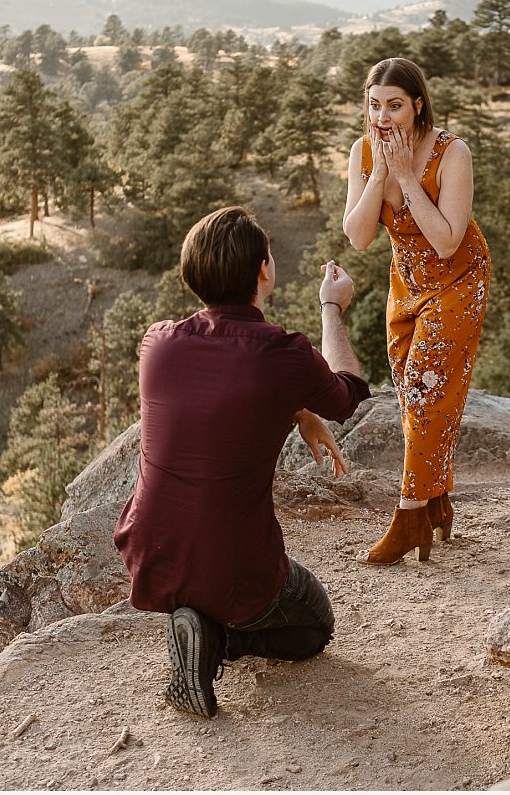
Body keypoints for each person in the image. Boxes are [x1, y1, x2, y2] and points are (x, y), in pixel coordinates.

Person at [113, 206, 370, 718]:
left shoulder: (157, 344)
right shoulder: (285, 353)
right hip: (237, 567)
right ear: (263, 271)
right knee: (315, 627)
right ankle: (216, 637)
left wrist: (297, 409)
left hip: (151, 552)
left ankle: (195, 621)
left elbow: (219, 393)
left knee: (211, 564)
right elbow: (348, 396)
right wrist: (331, 307)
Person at [342, 57, 491, 565]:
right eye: (375, 105)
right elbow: (359, 237)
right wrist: (380, 171)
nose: (383, 117)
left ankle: (409, 516)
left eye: (396, 106)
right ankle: (437, 498)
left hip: (458, 279)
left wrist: (406, 176)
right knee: (413, 391)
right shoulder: (363, 152)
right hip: (406, 285)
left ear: (418, 105)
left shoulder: (453, 154)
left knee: (428, 387)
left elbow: (449, 241)